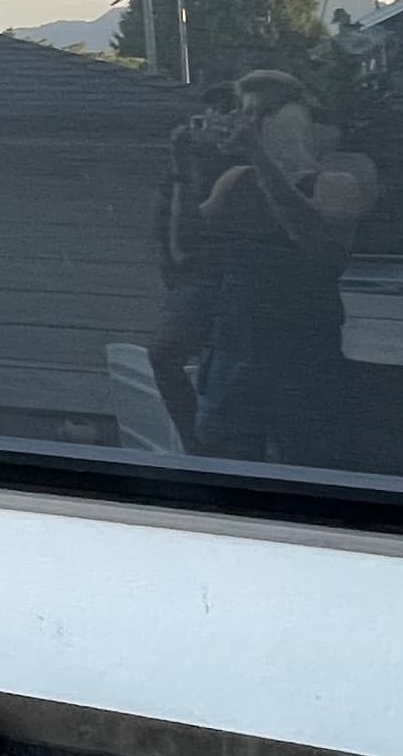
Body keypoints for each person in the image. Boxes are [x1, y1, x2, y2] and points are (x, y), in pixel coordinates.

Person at [156, 71, 379, 465]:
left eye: (259, 114)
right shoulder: (236, 179)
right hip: (233, 346)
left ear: (296, 118)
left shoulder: (337, 183)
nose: (247, 123)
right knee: (228, 469)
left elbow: (313, 243)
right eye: (245, 114)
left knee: (309, 468)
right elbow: (187, 246)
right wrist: (182, 168)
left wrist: (260, 157)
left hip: (302, 354)